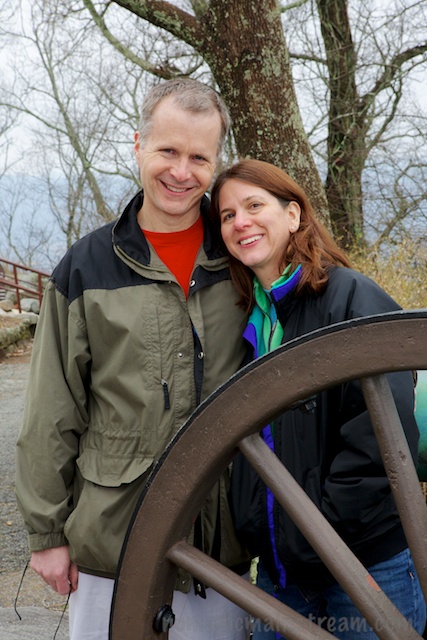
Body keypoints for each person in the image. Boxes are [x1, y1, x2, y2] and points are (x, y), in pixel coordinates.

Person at [15, 78, 251, 640]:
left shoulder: (242, 259)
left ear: (216, 163)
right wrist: (47, 535)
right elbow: (53, 408)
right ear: (138, 145)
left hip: (220, 547)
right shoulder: (85, 267)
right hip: (111, 543)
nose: (181, 171)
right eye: (168, 150)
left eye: (199, 157)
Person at [210, 158, 427, 639]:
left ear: (293, 215)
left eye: (254, 205)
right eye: (227, 215)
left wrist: (316, 533)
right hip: (280, 573)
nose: (240, 221)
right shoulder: (252, 321)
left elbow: (381, 439)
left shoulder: (350, 296)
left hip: (363, 568)